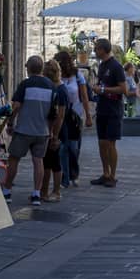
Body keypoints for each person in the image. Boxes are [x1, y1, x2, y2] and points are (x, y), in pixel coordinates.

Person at [4, 53, 67, 205]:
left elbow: (16, 106)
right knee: (38, 161)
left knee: (14, 159)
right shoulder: (52, 87)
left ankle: (7, 191)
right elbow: (54, 114)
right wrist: (51, 131)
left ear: (29, 69)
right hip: (42, 131)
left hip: (24, 129)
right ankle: (36, 194)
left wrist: (11, 122)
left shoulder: (25, 84)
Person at [91, 37, 127, 188]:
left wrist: (104, 90)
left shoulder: (116, 66)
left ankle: (112, 175)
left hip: (113, 109)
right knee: (102, 143)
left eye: (97, 48)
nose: (94, 51)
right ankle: (105, 173)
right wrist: (97, 87)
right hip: (102, 107)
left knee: (111, 143)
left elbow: (123, 89)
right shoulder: (102, 66)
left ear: (103, 50)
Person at [56, 47, 92, 188]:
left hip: (75, 116)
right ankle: (64, 177)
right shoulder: (55, 77)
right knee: (62, 147)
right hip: (60, 115)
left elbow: (84, 96)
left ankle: (74, 173)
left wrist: (88, 115)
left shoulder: (77, 76)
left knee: (74, 147)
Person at [40, 60, 65, 201]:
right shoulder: (53, 88)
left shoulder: (60, 90)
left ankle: (56, 191)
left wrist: (55, 135)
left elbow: (60, 115)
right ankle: (44, 191)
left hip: (57, 129)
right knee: (47, 161)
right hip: (49, 129)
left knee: (54, 161)